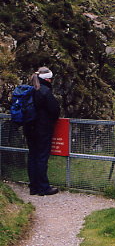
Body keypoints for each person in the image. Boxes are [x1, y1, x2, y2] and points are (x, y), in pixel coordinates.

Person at [23, 66, 60, 195]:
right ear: (48, 79)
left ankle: (33, 187)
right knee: (42, 157)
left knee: (32, 156)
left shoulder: (30, 90)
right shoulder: (44, 91)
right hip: (42, 129)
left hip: (29, 127)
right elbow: (54, 110)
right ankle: (43, 187)